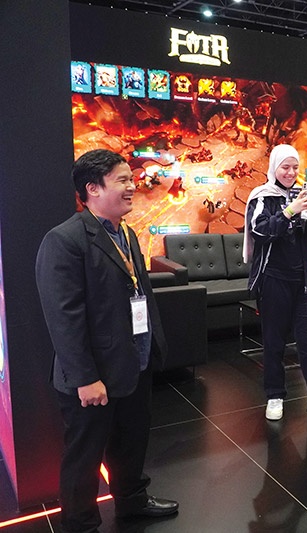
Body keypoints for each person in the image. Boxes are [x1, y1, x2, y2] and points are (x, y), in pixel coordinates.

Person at [35, 149, 179, 533]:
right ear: (93, 189)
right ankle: (80, 523)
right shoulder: (64, 240)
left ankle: (132, 501)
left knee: (131, 442)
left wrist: (154, 346)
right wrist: (85, 377)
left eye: (132, 179)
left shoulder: (125, 233)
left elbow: (140, 293)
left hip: (133, 361)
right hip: (93, 374)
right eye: (123, 180)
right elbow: (63, 318)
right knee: (84, 456)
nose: (133, 186)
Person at [243, 144, 307, 423]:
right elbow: (259, 230)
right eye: (285, 167)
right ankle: (275, 396)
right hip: (273, 281)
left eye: (295, 167)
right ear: (274, 167)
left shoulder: (304, 195)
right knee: (274, 342)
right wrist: (289, 211)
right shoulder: (262, 196)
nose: (290, 172)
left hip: (305, 283)